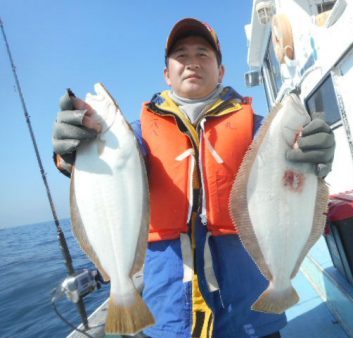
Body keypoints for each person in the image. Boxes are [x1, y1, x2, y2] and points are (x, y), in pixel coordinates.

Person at [52, 18, 335, 338]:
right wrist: (71, 153)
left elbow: (296, 168)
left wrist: (316, 155)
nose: (192, 63)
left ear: (221, 70)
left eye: (203, 54)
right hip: (169, 310)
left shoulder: (261, 131)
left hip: (249, 307)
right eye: (181, 56)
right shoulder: (133, 136)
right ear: (166, 74)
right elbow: (107, 175)